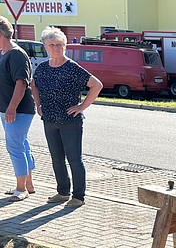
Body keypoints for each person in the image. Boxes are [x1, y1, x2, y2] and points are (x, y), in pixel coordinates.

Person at [31, 26, 103, 208]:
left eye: (59, 44)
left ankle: (78, 196)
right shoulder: (43, 68)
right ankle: (63, 192)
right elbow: (34, 84)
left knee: (74, 160)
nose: (56, 48)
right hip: (49, 120)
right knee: (56, 159)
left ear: (65, 46)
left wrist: (82, 106)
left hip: (70, 121)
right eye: (52, 45)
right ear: (45, 47)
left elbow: (97, 85)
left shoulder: (72, 68)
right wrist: (38, 105)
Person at [0, 16, 36, 201]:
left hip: (18, 110)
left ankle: (21, 188)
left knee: (14, 146)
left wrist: (12, 107)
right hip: (7, 108)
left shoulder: (16, 54)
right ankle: (28, 184)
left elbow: (21, 83)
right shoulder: (3, 53)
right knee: (21, 144)